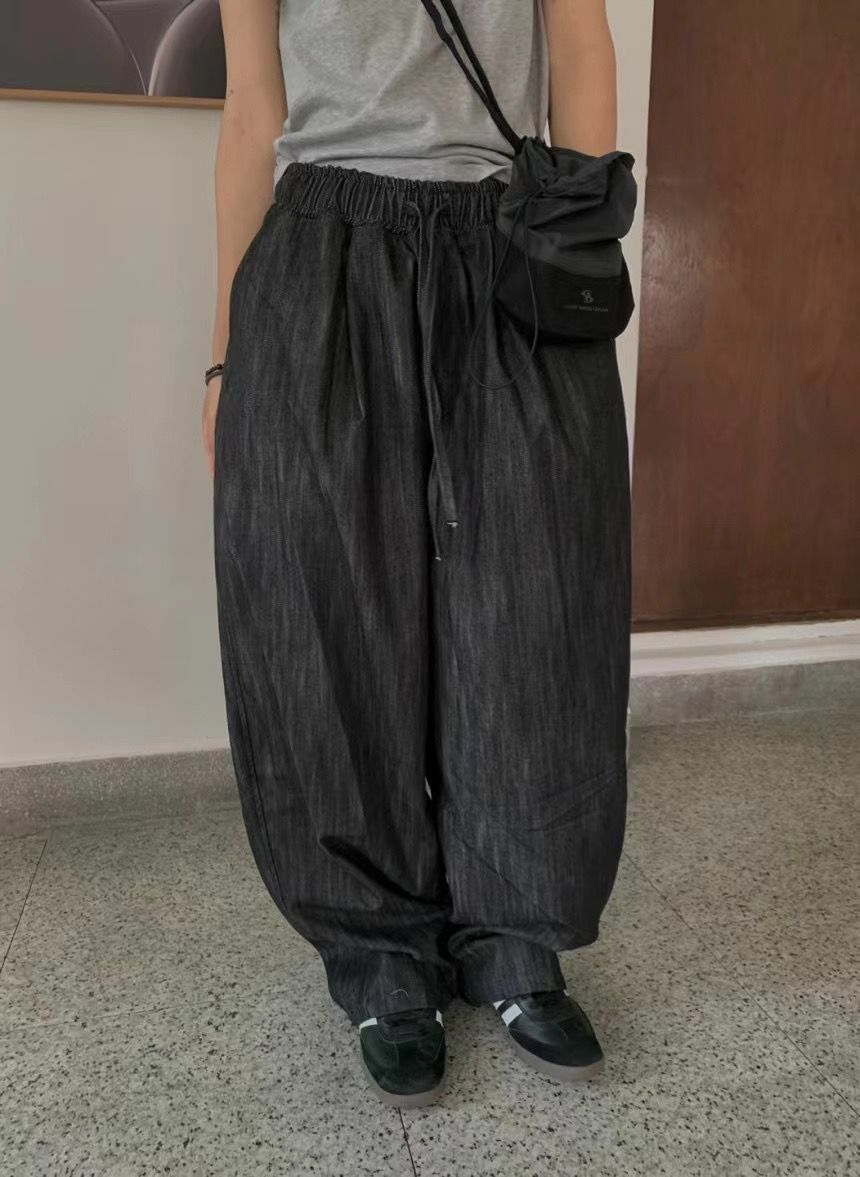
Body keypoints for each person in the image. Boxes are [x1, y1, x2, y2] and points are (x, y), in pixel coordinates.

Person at [203, 0, 630, 1108]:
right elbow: (251, 111)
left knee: (533, 605)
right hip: (321, 252)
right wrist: (225, 355)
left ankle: (515, 938)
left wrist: (574, 232)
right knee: (326, 615)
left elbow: (579, 41)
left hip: (506, 244)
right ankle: (380, 954)